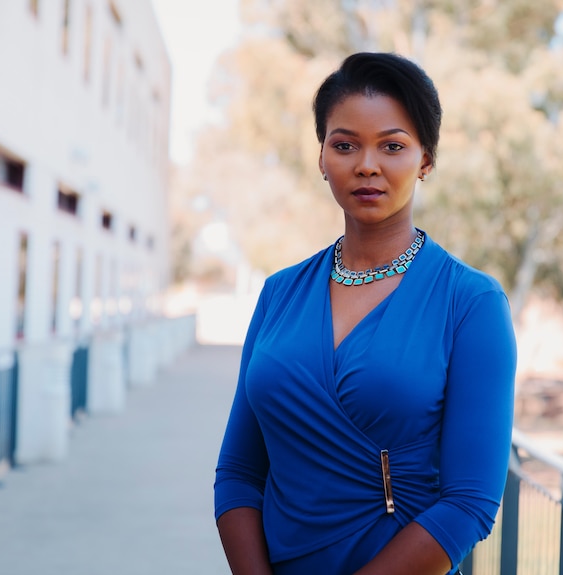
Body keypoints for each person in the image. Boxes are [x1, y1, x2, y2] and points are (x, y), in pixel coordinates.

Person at [214, 52, 517, 575]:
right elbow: (239, 473)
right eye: (345, 144)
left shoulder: (471, 303)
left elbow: (470, 504)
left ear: (425, 160)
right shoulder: (278, 294)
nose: (367, 165)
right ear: (322, 158)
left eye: (393, 146)